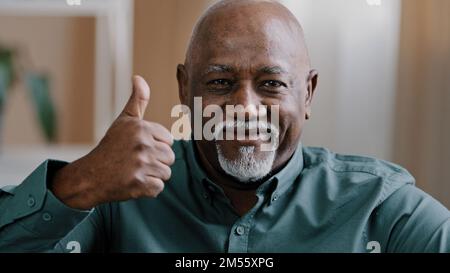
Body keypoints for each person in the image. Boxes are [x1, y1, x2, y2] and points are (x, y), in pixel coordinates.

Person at [0, 0, 449, 253]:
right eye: (220, 82)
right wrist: (79, 183)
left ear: (307, 93)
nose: (245, 106)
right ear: (184, 87)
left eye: (271, 83)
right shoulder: (118, 199)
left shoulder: (380, 208)